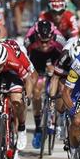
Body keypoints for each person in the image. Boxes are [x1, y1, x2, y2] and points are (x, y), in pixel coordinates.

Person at [24, 20, 66, 149]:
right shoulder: (29, 40)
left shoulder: (60, 39)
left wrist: (56, 70)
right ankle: (38, 128)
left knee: (60, 85)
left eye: (47, 41)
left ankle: (58, 116)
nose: (44, 44)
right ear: (36, 37)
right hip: (36, 59)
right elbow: (25, 59)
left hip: (55, 57)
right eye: (41, 42)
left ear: (52, 37)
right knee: (36, 91)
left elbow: (65, 58)